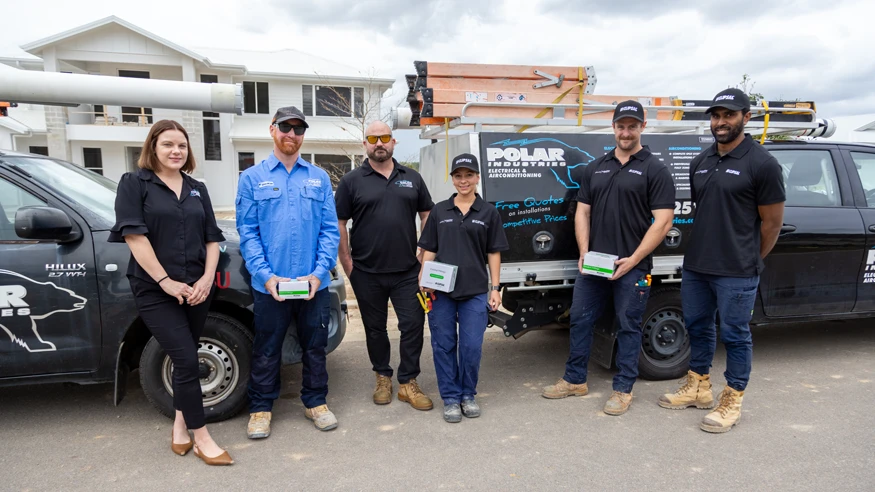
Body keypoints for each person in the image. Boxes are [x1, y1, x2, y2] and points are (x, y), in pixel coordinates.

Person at [658, 88, 785, 433]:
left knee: (735, 334)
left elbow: (772, 225)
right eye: (716, 116)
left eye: (729, 115)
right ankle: (698, 387)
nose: (721, 122)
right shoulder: (701, 162)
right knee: (698, 327)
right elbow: (706, 211)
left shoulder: (763, 165)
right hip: (698, 265)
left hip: (737, 271)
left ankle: (732, 399)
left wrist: (748, 259)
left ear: (746, 117)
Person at [110, 120, 232, 466]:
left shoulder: (197, 188)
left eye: (181, 145)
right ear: (153, 147)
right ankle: (202, 437)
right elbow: (135, 237)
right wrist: (166, 282)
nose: (176, 151)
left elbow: (212, 238)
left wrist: (207, 279)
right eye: (167, 144)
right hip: (156, 289)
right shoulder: (135, 184)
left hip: (196, 289)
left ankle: (180, 426)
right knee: (186, 358)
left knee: (185, 357)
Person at [542, 100, 675, 415]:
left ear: (642, 127)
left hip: (633, 266)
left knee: (628, 326)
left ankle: (623, 389)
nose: (625, 132)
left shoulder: (655, 169)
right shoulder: (596, 167)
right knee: (580, 319)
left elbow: (664, 221)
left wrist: (634, 258)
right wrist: (584, 251)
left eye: (632, 126)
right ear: (613, 127)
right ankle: (575, 380)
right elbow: (582, 212)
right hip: (595, 263)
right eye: (621, 125)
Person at [236, 106, 340, 437]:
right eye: (285, 127)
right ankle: (261, 408)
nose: (291, 134)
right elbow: (248, 233)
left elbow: (329, 231)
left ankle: (316, 402)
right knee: (267, 347)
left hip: (313, 283)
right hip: (271, 285)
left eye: (298, 129)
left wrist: (319, 272)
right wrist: (267, 276)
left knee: (315, 345)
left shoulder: (319, 178)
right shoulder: (251, 178)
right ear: (272, 129)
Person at [335, 121, 435, 411]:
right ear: (365, 144)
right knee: (375, 329)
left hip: (407, 271)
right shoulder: (351, 181)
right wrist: (348, 264)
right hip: (366, 272)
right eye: (373, 138)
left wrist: (423, 253)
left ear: (394, 142)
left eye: (385, 138)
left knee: (414, 325)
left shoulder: (412, 178)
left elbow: (427, 214)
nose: (379, 143)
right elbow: (339, 223)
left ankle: (408, 382)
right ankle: (382, 376)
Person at [417, 153, 509, 423]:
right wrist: (423, 278)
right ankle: (450, 398)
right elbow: (429, 248)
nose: (463, 180)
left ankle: (468, 394)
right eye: (458, 175)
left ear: (477, 178)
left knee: (471, 346)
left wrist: (495, 288)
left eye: (469, 175)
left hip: (475, 291)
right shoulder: (440, 211)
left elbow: (494, 252)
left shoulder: (489, 212)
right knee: (443, 345)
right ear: (453, 179)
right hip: (441, 291)